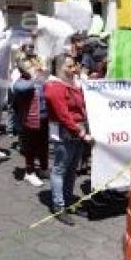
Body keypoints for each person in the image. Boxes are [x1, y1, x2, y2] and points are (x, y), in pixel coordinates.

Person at [44, 53, 92, 226]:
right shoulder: (54, 87)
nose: (73, 70)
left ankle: (68, 200)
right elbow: (63, 115)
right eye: (69, 67)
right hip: (66, 133)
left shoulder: (71, 83)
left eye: (74, 66)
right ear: (58, 69)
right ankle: (59, 205)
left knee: (72, 169)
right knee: (60, 169)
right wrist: (81, 133)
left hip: (77, 130)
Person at [12, 57, 49, 187]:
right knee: (31, 148)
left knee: (44, 146)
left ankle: (44, 168)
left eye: (32, 66)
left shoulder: (39, 80)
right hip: (30, 121)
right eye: (28, 67)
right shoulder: (20, 82)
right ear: (22, 70)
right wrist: (35, 77)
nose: (32, 68)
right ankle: (29, 172)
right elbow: (20, 89)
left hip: (44, 118)